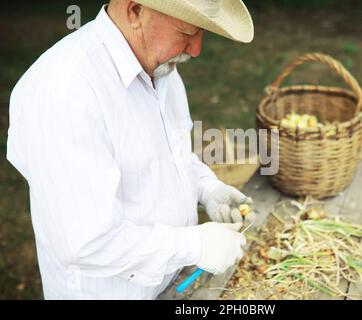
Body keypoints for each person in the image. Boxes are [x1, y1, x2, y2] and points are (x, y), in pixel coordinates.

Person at [6, 0, 256, 299]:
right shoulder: (65, 90)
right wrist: (194, 245)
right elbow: (85, 241)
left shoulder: (161, 68)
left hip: (168, 284)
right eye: (186, 31)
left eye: (200, 32)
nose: (196, 49)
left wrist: (208, 188)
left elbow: (168, 153)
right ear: (135, 11)